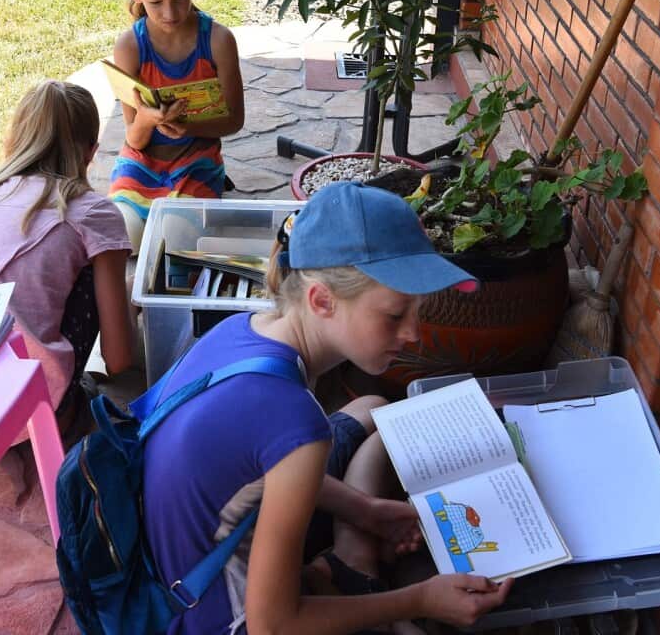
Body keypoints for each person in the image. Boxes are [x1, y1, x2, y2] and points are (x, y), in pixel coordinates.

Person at [141, 182, 513, 634]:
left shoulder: (244, 328)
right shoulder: (294, 420)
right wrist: (420, 599)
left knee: (369, 408)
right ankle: (350, 572)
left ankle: (344, 563)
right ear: (321, 300)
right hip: (216, 618)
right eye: (395, 315)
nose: (414, 333)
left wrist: (365, 510)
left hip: (168, 554)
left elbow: (268, 460)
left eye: (419, 311)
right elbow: (273, 627)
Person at [0, 80, 134, 441]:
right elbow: (118, 360)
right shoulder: (93, 213)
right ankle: (61, 417)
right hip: (23, 413)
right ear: (91, 152)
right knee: (94, 276)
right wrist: (128, 302)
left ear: (13, 140)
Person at [108, 0, 246, 252]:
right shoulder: (130, 47)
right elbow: (134, 139)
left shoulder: (218, 40)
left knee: (175, 238)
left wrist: (190, 127)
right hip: (141, 163)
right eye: (156, 3)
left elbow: (235, 120)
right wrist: (147, 119)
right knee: (124, 237)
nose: (169, 14)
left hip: (196, 162)